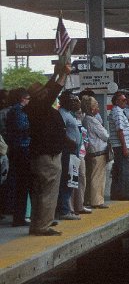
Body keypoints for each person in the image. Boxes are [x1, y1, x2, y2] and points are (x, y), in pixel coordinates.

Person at [26, 62, 71, 236]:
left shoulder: (33, 108)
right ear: (40, 97)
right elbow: (52, 92)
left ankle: (36, 224)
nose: (46, 93)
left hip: (39, 155)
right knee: (48, 192)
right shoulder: (40, 108)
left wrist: (56, 74)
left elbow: (48, 91)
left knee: (38, 193)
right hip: (48, 157)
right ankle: (43, 226)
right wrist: (63, 75)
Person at [6, 88, 31, 227]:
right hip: (22, 148)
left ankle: (20, 216)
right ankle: (20, 217)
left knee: (20, 184)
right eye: (28, 99)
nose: (29, 101)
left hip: (17, 149)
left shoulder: (12, 111)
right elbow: (23, 127)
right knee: (23, 184)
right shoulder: (18, 111)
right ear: (22, 98)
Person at [81, 96, 110, 209]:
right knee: (97, 177)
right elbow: (105, 135)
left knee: (90, 176)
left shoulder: (85, 119)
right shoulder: (92, 120)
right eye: (96, 105)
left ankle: (88, 199)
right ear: (92, 108)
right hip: (98, 151)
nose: (98, 107)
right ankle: (97, 201)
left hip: (90, 151)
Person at [57, 91, 80, 221]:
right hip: (68, 151)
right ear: (64, 101)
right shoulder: (62, 114)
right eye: (71, 100)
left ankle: (67, 208)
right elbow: (61, 132)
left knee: (71, 180)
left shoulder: (69, 113)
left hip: (72, 151)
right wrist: (71, 142)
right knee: (67, 180)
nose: (73, 102)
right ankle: (64, 210)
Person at [109, 90, 129, 201]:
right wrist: (124, 147)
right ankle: (124, 194)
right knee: (124, 169)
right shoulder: (118, 112)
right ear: (117, 101)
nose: (126, 102)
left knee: (118, 169)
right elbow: (120, 130)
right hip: (120, 145)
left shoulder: (118, 110)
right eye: (124, 100)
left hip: (119, 145)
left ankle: (116, 193)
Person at [70, 96, 92, 215]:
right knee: (73, 180)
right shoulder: (70, 118)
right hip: (74, 153)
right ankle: (72, 207)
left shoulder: (79, 119)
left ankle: (79, 204)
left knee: (81, 178)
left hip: (81, 152)